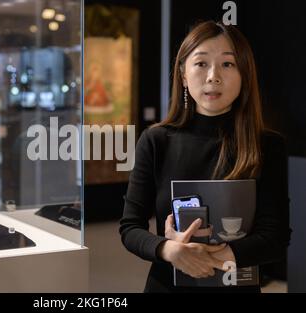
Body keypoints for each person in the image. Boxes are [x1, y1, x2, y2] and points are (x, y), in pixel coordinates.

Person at [119, 21, 291, 293]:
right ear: (183, 75)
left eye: (228, 64)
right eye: (201, 64)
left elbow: (276, 237)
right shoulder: (156, 140)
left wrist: (218, 256)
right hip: (168, 283)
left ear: (245, 74)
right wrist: (169, 249)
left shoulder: (268, 145)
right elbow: (130, 228)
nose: (213, 76)